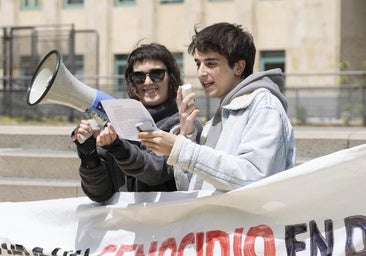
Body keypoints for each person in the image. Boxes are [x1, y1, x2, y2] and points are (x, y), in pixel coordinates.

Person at [138, 22, 296, 192]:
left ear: (238, 67)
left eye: (211, 64)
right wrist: (186, 136)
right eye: (198, 64)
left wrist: (181, 149)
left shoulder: (263, 106)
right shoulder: (221, 115)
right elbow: (193, 188)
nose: (201, 73)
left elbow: (253, 177)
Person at [71, 43, 201, 203]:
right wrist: (88, 155)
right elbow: (99, 194)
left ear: (171, 77)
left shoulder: (184, 124)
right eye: (138, 77)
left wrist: (117, 148)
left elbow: (156, 172)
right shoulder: (114, 122)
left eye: (157, 75)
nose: (147, 82)